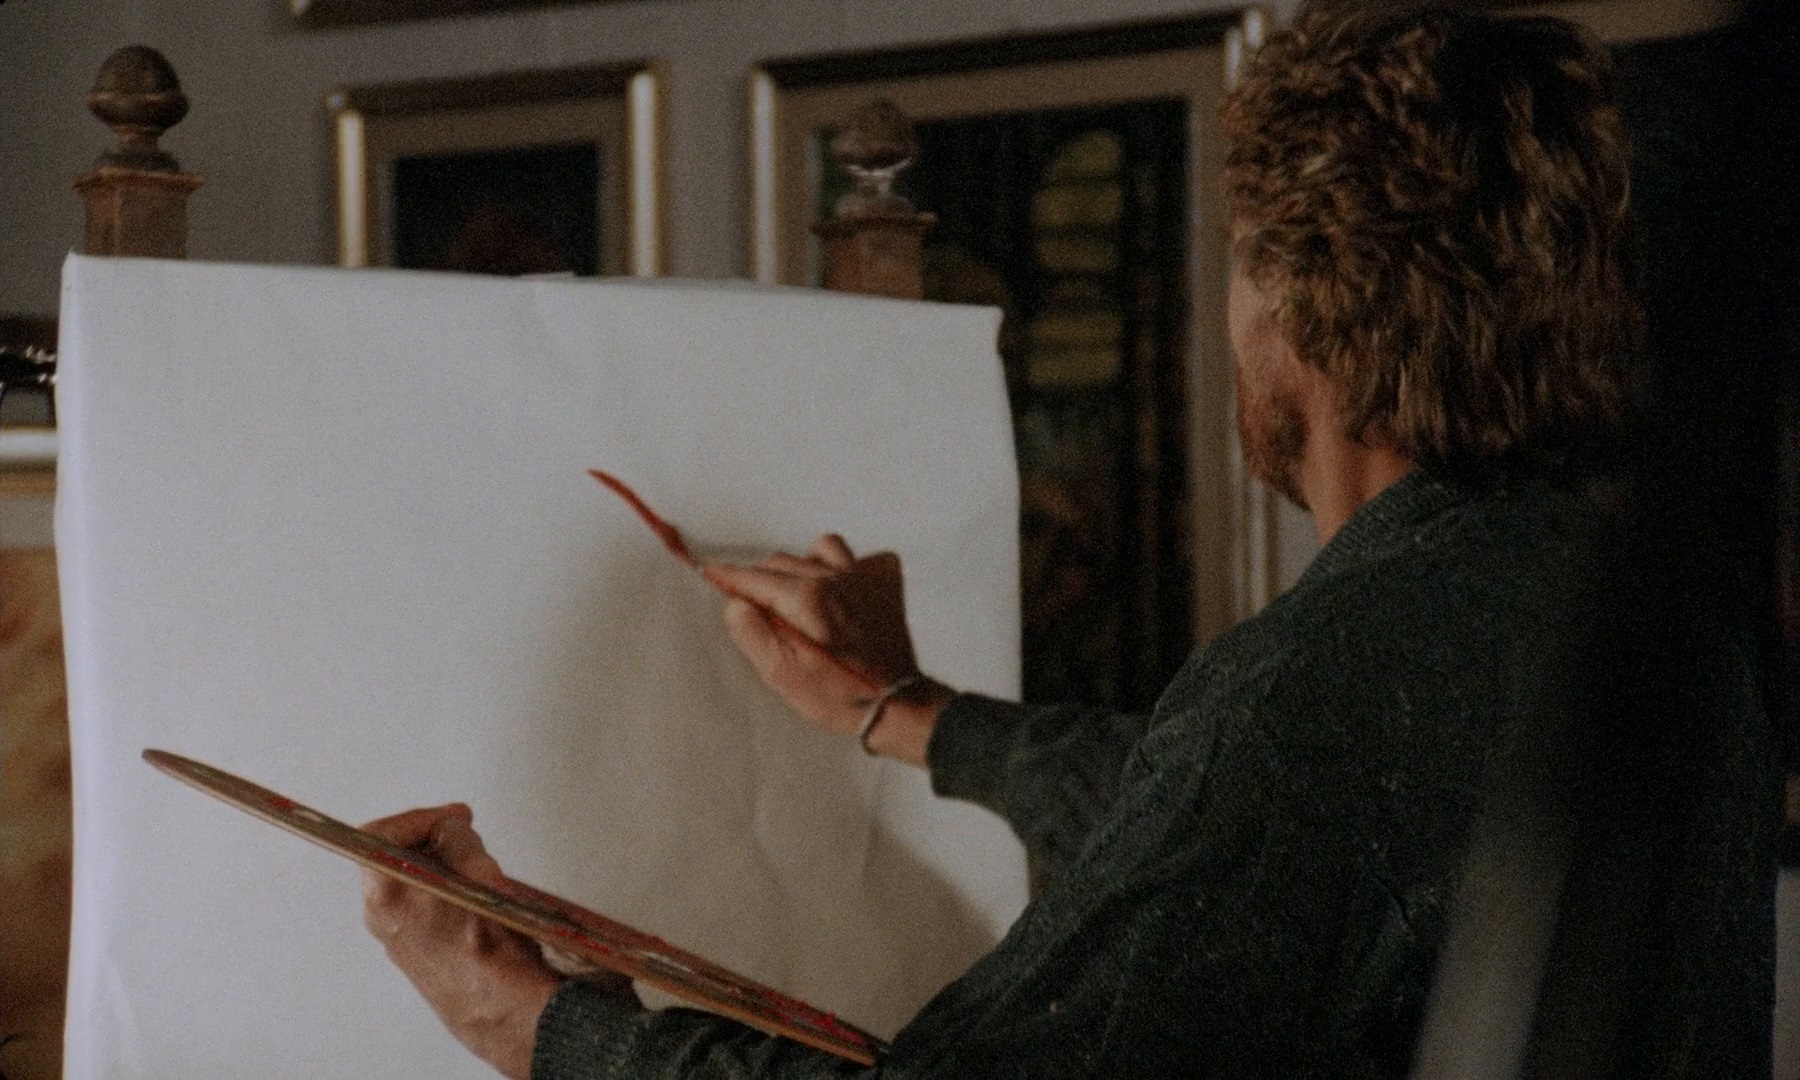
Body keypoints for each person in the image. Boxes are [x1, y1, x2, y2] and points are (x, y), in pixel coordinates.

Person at [360, 4, 1779, 1076]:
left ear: (1292, 301)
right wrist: (908, 714)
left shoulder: (1327, 689)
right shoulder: (1646, 628)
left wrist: (535, 1024)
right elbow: (1230, 841)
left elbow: (1253, 804)